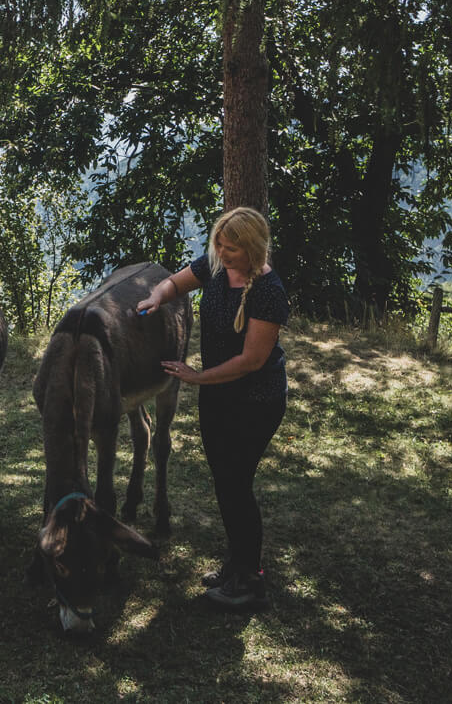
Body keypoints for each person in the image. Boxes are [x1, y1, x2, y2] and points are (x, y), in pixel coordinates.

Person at [136, 206, 290, 610]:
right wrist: (156, 297)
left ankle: (251, 583)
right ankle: (238, 565)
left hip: (255, 401)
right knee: (225, 483)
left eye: (231, 248)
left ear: (253, 249)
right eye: (219, 244)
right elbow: (174, 283)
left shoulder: (269, 293)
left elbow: (252, 361)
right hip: (219, 396)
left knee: (237, 486)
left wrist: (197, 376)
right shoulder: (215, 266)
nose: (222, 252)